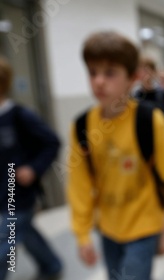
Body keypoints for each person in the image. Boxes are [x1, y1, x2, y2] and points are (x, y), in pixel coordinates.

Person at [66, 31, 164, 280]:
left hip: (145, 226)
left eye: (110, 73)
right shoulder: (81, 126)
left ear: (132, 78)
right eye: (93, 72)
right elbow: (79, 184)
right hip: (108, 228)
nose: (99, 81)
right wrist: (82, 234)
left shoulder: (150, 120)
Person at [0, 56, 63, 280]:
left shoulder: (19, 115)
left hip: (17, 193)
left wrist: (34, 169)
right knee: (24, 233)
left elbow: (52, 142)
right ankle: (52, 265)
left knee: (5, 241)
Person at [134, 57, 164, 143]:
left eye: (147, 70)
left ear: (154, 72)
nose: (144, 74)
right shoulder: (136, 97)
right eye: (141, 70)